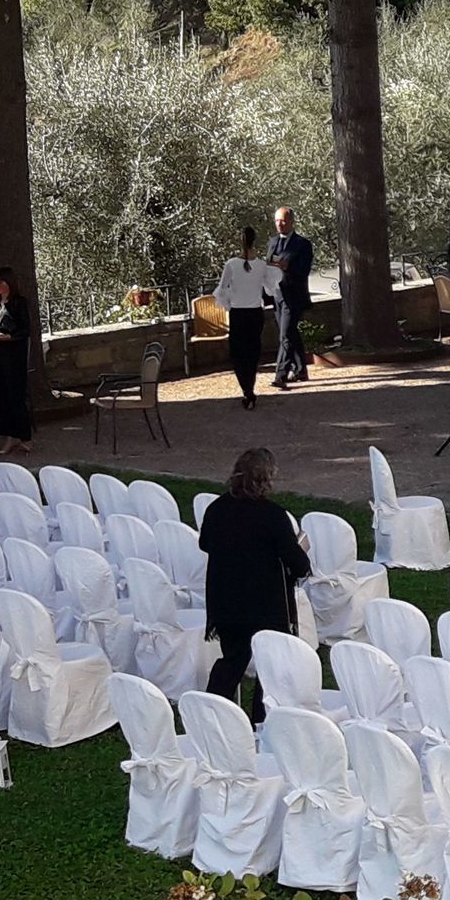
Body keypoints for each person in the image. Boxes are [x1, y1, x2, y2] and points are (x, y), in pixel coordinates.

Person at [199, 447, 312, 724]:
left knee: (232, 660)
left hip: (226, 601)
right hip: (265, 607)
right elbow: (298, 564)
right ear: (266, 479)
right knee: (270, 666)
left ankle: (211, 715)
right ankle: (261, 722)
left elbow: (205, 543)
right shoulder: (273, 516)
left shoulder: (216, 509)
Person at [213, 225, 279, 410]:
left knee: (238, 353)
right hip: (255, 313)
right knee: (252, 351)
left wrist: (229, 302)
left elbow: (222, 289)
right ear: (254, 241)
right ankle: (250, 386)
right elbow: (270, 288)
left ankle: (247, 389)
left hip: (239, 313)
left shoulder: (231, 264)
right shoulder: (261, 265)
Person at [0, 266, 35, 455]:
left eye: (1, 281)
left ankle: (24, 436)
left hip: (13, 356)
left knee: (15, 395)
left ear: (9, 283)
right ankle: (9, 435)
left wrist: (4, 338)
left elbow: (24, 330)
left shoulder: (19, 303)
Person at [266, 206, 313, 390]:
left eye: (283, 220)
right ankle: (301, 370)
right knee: (290, 333)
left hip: (294, 297)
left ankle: (281, 374)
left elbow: (304, 271)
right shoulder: (272, 242)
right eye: (277, 220)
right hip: (277, 295)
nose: (280, 224)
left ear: (291, 221)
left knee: (285, 335)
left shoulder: (303, 244)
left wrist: (288, 267)